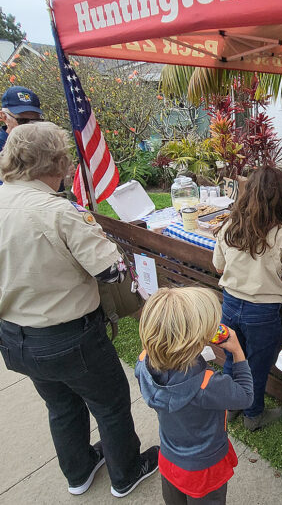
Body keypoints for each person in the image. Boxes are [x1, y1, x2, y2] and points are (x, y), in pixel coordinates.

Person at [0, 122, 159, 498]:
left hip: (16, 337)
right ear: (56, 162)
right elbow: (111, 270)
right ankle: (126, 473)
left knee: (60, 405)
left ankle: (79, 471)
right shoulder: (59, 212)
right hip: (72, 338)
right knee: (111, 406)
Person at [212, 166, 282, 431]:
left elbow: (218, 265)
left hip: (230, 304)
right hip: (261, 313)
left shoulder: (231, 224)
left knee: (231, 358)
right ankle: (253, 415)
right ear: (281, 200)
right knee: (257, 365)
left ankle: (230, 408)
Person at [135, 287, 254, 505]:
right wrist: (237, 352)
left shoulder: (143, 362)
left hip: (170, 457)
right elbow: (246, 397)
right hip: (204, 468)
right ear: (193, 342)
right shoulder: (208, 384)